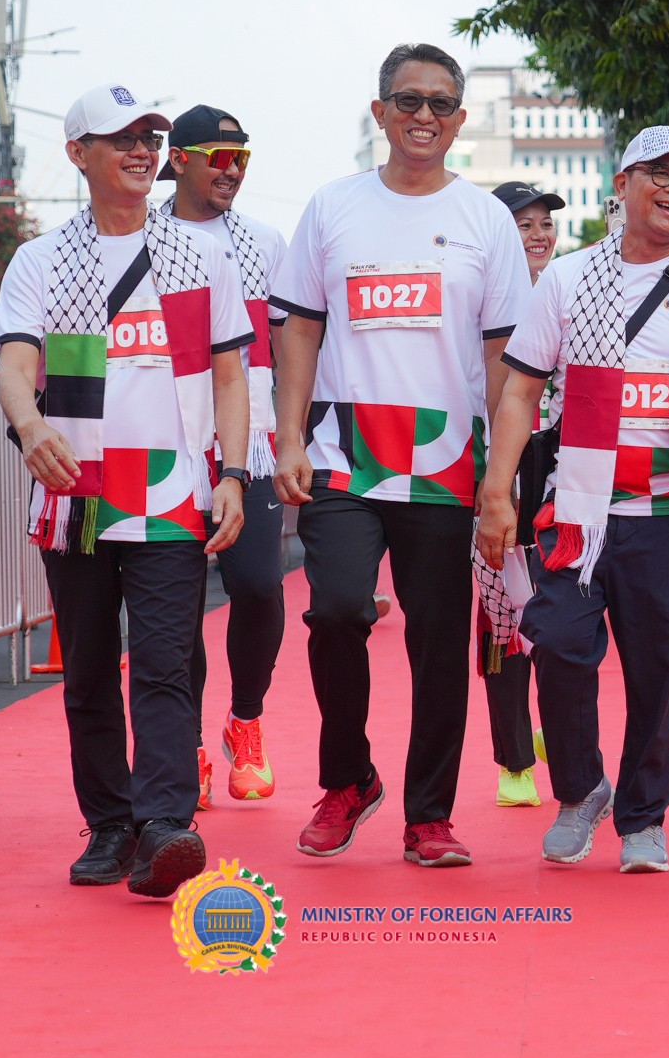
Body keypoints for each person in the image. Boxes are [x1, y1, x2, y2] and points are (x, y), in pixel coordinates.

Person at [479, 124, 669, 874]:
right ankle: (580, 790)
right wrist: (496, 491)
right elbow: (520, 391)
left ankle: (644, 817)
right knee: (556, 646)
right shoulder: (568, 280)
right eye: (661, 174)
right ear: (622, 185)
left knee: (658, 676)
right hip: (578, 516)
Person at [273, 44, 532, 869]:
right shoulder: (332, 207)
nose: (425, 116)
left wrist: (500, 479)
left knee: (439, 643)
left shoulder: (485, 219)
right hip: (342, 455)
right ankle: (348, 780)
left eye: (441, 104)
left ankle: (429, 816)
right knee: (337, 611)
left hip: (447, 464)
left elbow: (505, 359)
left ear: (459, 120)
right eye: (409, 101)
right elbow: (299, 328)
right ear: (380, 111)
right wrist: (287, 437)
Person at [0, 83, 254, 898]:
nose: (143, 152)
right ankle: (110, 825)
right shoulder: (40, 259)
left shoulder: (203, 255)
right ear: (79, 154)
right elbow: (14, 361)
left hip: (171, 493)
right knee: (89, 670)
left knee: (166, 665)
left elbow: (229, 375)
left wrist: (233, 474)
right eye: (123, 139)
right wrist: (30, 425)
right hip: (76, 490)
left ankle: (166, 825)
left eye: (151, 138)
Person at [156, 103, 290, 808]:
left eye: (243, 159)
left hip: (252, 445)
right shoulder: (143, 238)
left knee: (260, 587)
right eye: (219, 157)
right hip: (170, 444)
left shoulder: (265, 242)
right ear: (179, 160)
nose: (232, 170)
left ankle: (246, 720)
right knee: (177, 605)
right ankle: (190, 749)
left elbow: (290, 345)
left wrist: (293, 435)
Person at [479, 178, 573, 808]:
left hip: (561, 469)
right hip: (495, 470)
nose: (538, 235)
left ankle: (559, 731)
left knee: (563, 612)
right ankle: (514, 759)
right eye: (523, 224)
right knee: (501, 615)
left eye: (545, 224)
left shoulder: (571, 290)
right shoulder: (479, 297)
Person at [495, 180, 563, 281]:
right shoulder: (476, 290)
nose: (540, 235)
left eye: (546, 224)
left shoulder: (564, 289)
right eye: (526, 225)